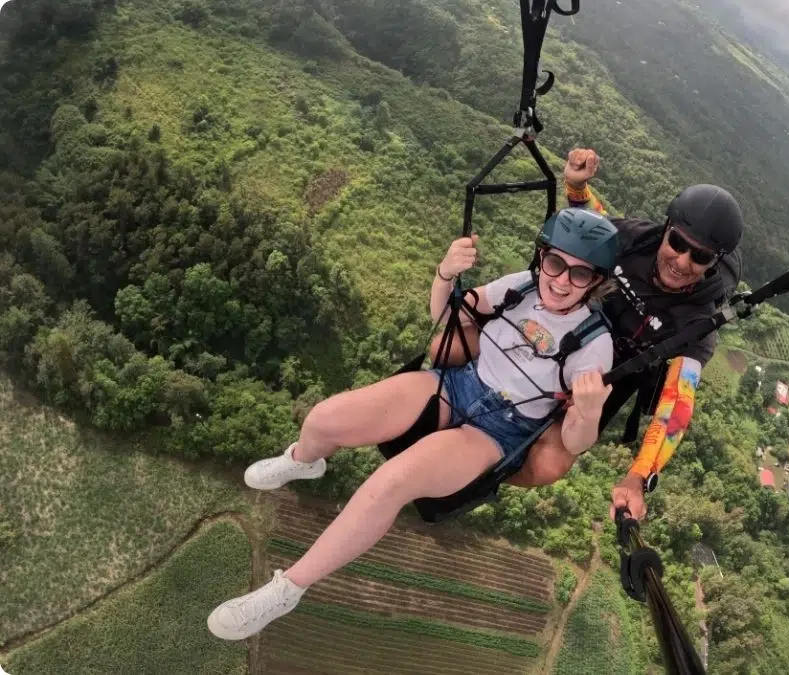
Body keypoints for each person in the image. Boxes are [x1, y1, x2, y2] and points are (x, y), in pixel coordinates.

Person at [206, 208, 620, 641]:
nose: (560, 280)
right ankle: (304, 460)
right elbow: (445, 316)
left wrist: (588, 410)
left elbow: (574, 441)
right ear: (541, 258)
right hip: (459, 383)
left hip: (499, 430)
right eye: (555, 264)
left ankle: (287, 589)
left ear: (595, 282)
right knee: (324, 418)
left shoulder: (594, 344)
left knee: (390, 482)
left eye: (579, 274)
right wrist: (445, 275)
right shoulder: (518, 287)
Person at [432, 148, 745, 524]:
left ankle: (485, 471)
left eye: (700, 257)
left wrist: (638, 476)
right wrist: (576, 187)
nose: (682, 262)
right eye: (677, 244)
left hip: (598, 380)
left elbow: (677, 403)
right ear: (666, 229)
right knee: (445, 345)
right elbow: (595, 228)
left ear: (713, 264)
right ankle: (447, 414)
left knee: (548, 463)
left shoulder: (698, 321)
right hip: (559, 330)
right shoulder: (638, 240)